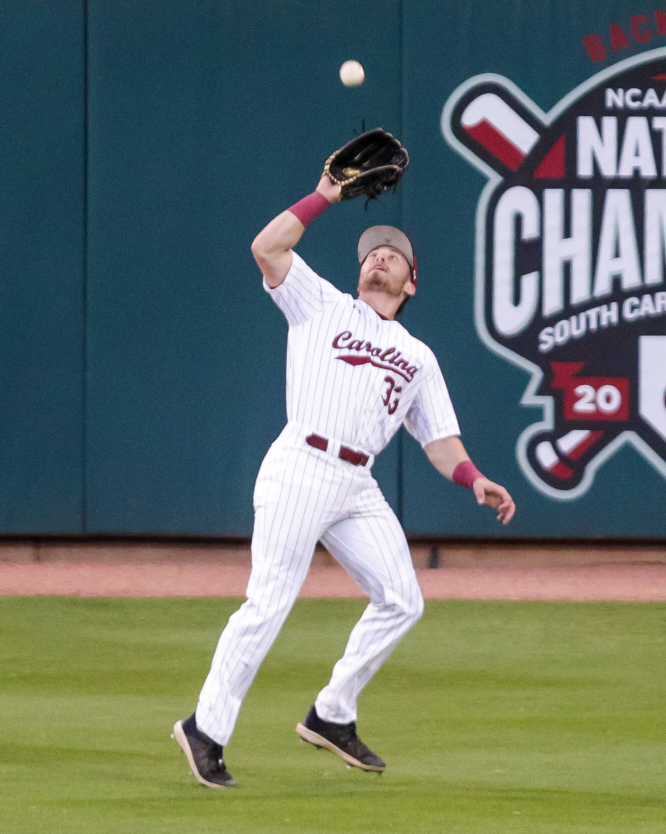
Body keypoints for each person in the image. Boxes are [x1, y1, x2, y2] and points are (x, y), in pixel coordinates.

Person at [172, 172, 516, 788]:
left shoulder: (418, 356)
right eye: (372, 254)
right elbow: (267, 248)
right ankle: (205, 729)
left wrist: (472, 478)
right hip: (302, 464)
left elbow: (439, 439)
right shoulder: (321, 302)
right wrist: (326, 194)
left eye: (393, 256)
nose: (379, 258)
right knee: (269, 602)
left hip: (357, 484)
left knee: (403, 598)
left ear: (411, 282)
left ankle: (331, 713)